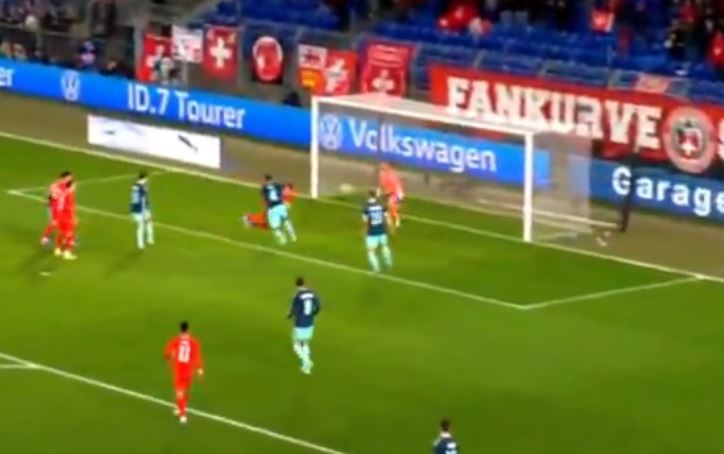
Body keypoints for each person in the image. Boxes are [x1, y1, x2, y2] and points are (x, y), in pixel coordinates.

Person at [164, 321, 204, 424]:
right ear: (188, 329)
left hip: (179, 370)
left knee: (179, 392)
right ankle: (178, 408)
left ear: (180, 329)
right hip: (189, 371)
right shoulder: (194, 342)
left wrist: (170, 357)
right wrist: (199, 369)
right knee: (183, 390)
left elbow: (166, 353)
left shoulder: (175, 341)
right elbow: (197, 356)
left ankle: (183, 415)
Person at [287, 277, 321, 375]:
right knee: (304, 342)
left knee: (299, 344)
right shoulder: (312, 293)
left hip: (300, 323)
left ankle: (307, 366)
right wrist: (314, 314)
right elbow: (318, 306)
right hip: (310, 322)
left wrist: (289, 315)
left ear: (296, 285)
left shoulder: (297, 296)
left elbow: (294, 310)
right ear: (304, 283)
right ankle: (307, 358)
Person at [41, 170, 72, 253]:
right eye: (69, 177)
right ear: (64, 178)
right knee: (56, 223)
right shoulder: (62, 187)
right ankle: (45, 238)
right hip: (56, 207)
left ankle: (47, 238)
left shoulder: (55, 184)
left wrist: (47, 200)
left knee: (56, 223)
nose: (70, 179)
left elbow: (50, 194)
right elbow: (58, 196)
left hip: (56, 206)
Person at [261, 174, 297, 244]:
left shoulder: (264, 188)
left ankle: (285, 238)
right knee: (285, 221)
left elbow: (265, 199)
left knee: (276, 225)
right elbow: (287, 188)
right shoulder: (277, 185)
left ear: (265, 180)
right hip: (278, 206)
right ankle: (291, 236)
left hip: (274, 208)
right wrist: (288, 200)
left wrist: (265, 208)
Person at [363, 190, 393, 272]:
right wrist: (390, 227)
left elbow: (366, 222)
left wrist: (365, 232)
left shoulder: (366, 207)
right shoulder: (381, 205)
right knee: (385, 246)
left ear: (369, 196)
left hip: (372, 232)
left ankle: (376, 269)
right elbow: (387, 218)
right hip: (382, 230)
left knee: (371, 251)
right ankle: (389, 262)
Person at [130, 171, 155, 250]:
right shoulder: (140, 187)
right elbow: (141, 199)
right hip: (140, 209)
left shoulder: (137, 186)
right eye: (146, 179)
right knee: (141, 226)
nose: (147, 180)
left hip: (140, 208)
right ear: (143, 178)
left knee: (148, 222)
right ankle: (141, 243)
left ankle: (149, 239)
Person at [378, 162, 404, 229]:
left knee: (392, 208)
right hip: (393, 193)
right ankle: (390, 221)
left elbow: (393, 188)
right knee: (388, 208)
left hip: (395, 194)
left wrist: (384, 193)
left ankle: (396, 221)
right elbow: (383, 185)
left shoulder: (389, 176)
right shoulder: (385, 175)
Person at [57, 178, 77, 260]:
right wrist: (73, 218)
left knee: (62, 232)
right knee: (70, 234)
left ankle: (58, 249)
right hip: (66, 216)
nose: (75, 186)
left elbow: (59, 206)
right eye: (74, 185)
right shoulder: (69, 195)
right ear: (71, 185)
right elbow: (70, 208)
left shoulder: (63, 193)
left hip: (59, 215)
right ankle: (67, 252)